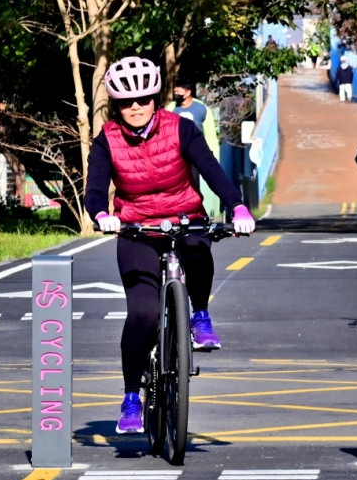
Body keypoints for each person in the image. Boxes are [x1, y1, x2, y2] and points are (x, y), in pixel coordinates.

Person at [86, 56, 255, 434]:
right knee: (143, 316)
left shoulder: (181, 128)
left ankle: (200, 314)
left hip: (184, 217)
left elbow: (212, 170)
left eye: (144, 99)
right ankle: (132, 398)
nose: (135, 107)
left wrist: (238, 207)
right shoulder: (107, 139)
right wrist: (101, 215)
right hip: (136, 229)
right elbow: (95, 189)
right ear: (116, 105)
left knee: (199, 248)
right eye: (127, 102)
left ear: (156, 98)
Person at [166, 76, 220, 216]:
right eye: (175, 88)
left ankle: (195, 213)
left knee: (194, 182)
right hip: (176, 154)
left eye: (179, 88)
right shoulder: (171, 108)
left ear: (188, 92)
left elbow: (210, 135)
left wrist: (211, 156)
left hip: (195, 154)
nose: (175, 90)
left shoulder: (202, 109)